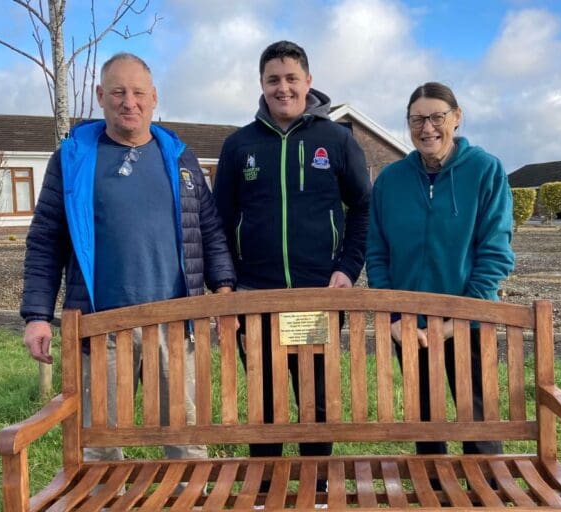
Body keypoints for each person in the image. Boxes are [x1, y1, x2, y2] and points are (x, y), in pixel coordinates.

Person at [20, 52, 236, 463]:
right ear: (101, 96)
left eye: (138, 92)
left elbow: (208, 230)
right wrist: (36, 315)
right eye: (118, 92)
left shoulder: (180, 157)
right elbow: (46, 240)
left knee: (186, 442)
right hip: (103, 326)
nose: (129, 102)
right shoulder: (74, 159)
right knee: (100, 445)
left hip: (175, 323)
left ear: (154, 97)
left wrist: (224, 290)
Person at [213, 41, 371, 464]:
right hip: (257, 296)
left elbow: (363, 207)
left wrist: (348, 268)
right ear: (262, 85)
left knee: (314, 401)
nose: (283, 88)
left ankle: (317, 489)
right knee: (265, 402)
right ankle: (266, 490)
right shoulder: (239, 145)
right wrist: (226, 283)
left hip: (313, 299)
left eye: (291, 78)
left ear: (309, 82)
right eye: (273, 80)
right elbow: (220, 220)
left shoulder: (337, 141)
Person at [365, 82, 515, 456]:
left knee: (478, 424)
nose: (427, 127)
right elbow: (377, 253)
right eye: (417, 119)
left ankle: (485, 495)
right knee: (427, 424)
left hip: (471, 323)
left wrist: (460, 319)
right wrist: (395, 316)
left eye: (437, 117)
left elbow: (495, 251)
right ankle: (435, 492)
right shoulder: (390, 180)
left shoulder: (486, 171)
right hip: (411, 328)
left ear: (457, 118)